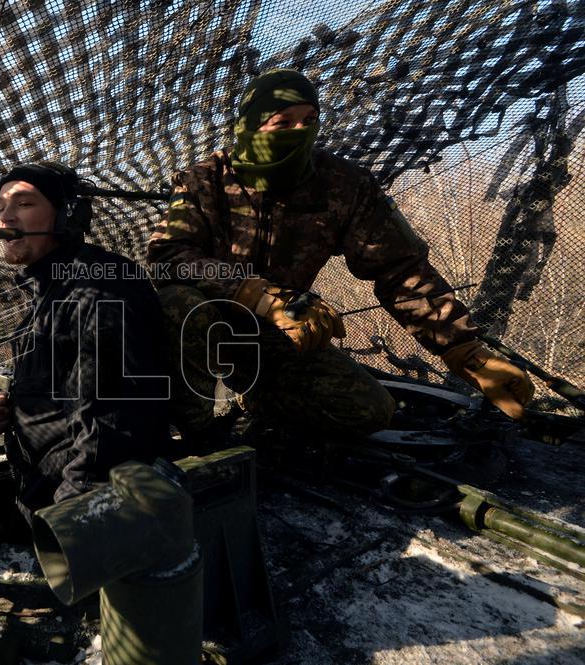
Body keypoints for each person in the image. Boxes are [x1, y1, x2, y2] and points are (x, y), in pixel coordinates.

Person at [146, 69, 534, 444]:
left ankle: (259, 399)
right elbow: (169, 255)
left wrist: (463, 349)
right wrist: (257, 296)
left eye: (309, 120)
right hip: (208, 325)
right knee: (175, 303)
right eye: (283, 123)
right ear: (251, 126)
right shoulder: (205, 180)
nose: (300, 132)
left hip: (281, 334)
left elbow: (399, 269)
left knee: (367, 411)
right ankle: (200, 434)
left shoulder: (344, 185)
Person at [0, 162, 169, 521]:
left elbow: (111, 436)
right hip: (40, 491)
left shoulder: (99, 288)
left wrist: (68, 525)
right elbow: (61, 389)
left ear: (67, 215)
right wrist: (5, 407)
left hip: (75, 510)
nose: (5, 218)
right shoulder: (51, 289)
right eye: (0, 208)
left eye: (24, 204)